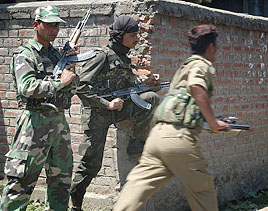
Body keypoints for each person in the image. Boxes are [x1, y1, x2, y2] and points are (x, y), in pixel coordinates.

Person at [113, 24, 230, 211]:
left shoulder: (185, 66)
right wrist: (214, 122)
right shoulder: (201, 64)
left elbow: (184, 103)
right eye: (216, 47)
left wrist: (209, 121)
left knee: (137, 187)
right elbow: (197, 87)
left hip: (158, 137)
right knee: (203, 192)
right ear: (210, 47)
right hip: (179, 139)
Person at [70, 15, 160, 211]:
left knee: (151, 98)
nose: (137, 39)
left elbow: (127, 85)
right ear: (121, 35)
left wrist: (146, 82)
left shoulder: (123, 57)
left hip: (118, 109)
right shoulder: (101, 56)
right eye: (133, 35)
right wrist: (106, 104)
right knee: (90, 165)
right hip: (97, 115)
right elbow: (82, 87)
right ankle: (75, 203)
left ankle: (136, 144)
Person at [0, 5, 78, 211]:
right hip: (34, 123)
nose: (54, 30)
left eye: (57, 26)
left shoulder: (56, 55)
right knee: (21, 182)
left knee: (61, 182)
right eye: (49, 25)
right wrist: (59, 82)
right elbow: (27, 87)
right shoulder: (25, 54)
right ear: (36, 25)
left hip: (59, 122)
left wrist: (72, 64)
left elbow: (72, 87)